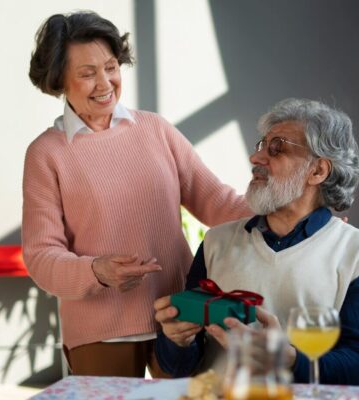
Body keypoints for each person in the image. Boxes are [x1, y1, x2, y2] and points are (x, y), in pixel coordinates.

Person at [22, 11, 250, 378]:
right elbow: (41, 256)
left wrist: (295, 214)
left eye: (111, 67)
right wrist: (95, 271)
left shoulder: (155, 129)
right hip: (99, 329)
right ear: (58, 80)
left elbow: (218, 202)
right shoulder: (46, 154)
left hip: (178, 316)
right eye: (86, 73)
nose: (105, 83)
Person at [154, 98, 359, 385]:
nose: (257, 158)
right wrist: (178, 341)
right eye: (261, 146)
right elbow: (179, 367)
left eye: (277, 148)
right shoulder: (217, 242)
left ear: (318, 171)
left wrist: (286, 357)